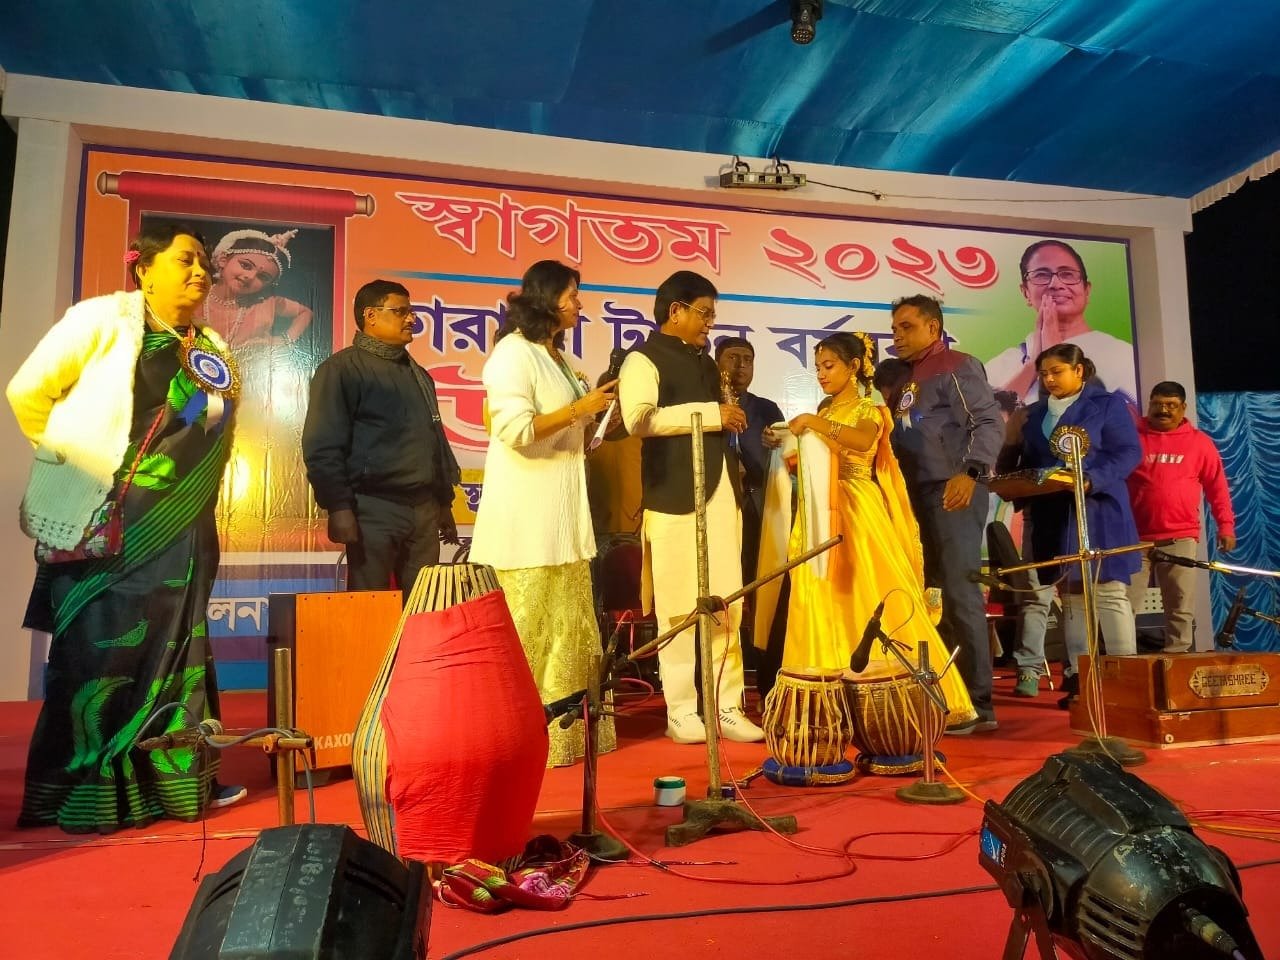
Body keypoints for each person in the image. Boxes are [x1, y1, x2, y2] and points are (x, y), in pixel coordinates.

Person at [7, 223, 243, 832]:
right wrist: (70, 462)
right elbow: (27, 390)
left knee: (179, 650)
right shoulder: (101, 320)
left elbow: (200, 425)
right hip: (111, 522)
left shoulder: (209, 344)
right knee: (100, 653)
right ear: (144, 268)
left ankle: (177, 781)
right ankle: (87, 786)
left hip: (184, 524)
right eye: (186, 260)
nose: (200, 272)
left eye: (204, 263)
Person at [766, 333, 976, 727]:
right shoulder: (826, 409)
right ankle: (830, 700)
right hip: (819, 510)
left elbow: (863, 441)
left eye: (829, 366)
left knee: (870, 595)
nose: (822, 374)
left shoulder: (870, 407)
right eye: (818, 367)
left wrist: (814, 423)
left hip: (857, 511)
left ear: (853, 367)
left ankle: (897, 697)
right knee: (823, 598)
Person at [470, 260, 618, 767]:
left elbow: (566, 431)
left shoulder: (558, 358)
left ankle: (563, 740)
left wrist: (594, 415)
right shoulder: (512, 354)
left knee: (569, 632)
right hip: (527, 522)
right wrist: (580, 408)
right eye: (573, 295)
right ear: (547, 299)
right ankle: (513, 741)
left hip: (565, 522)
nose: (580, 304)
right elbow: (515, 430)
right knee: (527, 631)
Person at [618, 270, 764, 745]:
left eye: (712, 314)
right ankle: (681, 710)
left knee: (727, 603)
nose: (710, 322)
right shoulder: (642, 359)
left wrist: (727, 415)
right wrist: (711, 415)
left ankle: (727, 705)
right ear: (675, 311)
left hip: (720, 493)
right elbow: (639, 420)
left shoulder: (705, 361)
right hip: (673, 497)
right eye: (704, 313)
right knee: (679, 607)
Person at [998, 343, 1143, 707]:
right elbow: (1016, 467)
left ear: (1079, 371)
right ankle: (1080, 678)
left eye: (1057, 372)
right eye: (1044, 374)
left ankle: (1126, 681)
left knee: (1109, 593)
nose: (1049, 379)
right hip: (1052, 517)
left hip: (1098, 511)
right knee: (1072, 597)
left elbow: (1129, 452)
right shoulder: (1032, 414)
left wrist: (1092, 479)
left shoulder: (1107, 405)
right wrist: (1011, 440)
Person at [302, 279, 460, 599]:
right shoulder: (341, 370)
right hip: (371, 509)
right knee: (369, 608)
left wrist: (443, 503)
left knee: (423, 608)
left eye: (411, 312)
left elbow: (433, 441)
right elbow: (322, 446)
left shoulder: (418, 374)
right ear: (371, 316)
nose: (411, 319)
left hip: (424, 510)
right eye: (401, 311)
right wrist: (339, 507)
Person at [888, 294, 1003, 732]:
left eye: (907, 327)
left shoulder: (957, 365)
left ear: (933, 328)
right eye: (894, 329)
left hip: (954, 490)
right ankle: (947, 696)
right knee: (933, 598)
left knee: (959, 592)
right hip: (915, 498)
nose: (897, 336)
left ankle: (978, 703)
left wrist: (970, 472)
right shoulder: (906, 378)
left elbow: (987, 422)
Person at [1125, 381, 1236, 653]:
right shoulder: (1130, 438)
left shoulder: (1200, 443)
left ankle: (1177, 658)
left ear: (1183, 408)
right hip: (1132, 538)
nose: (1163, 410)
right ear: (1149, 404)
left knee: (1180, 605)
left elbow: (1217, 488)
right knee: (1124, 604)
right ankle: (1121, 661)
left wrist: (1226, 525)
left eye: (1171, 405)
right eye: (1157, 404)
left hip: (1180, 537)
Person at [985, 240, 1138, 407]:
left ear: (1087, 290)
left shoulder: (1122, 356)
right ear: (1025, 292)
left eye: (1067, 274)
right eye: (1042, 275)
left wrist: (1056, 356)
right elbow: (987, 419)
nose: (1056, 284)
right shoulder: (1002, 365)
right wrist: (1033, 365)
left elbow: (1118, 419)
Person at [714, 337, 783, 670]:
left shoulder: (766, 409)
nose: (740, 366)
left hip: (758, 506)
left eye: (748, 359)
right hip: (718, 507)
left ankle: (763, 662)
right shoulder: (706, 407)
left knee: (761, 582)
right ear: (716, 363)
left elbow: (786, 455)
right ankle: (724, 661)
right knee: (724, 585)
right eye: (732, 358)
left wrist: (778, 442)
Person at [201, 228, 313, 349]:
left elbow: (306, 313)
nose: (250, 277)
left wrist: (285, 340)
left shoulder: (266, 304)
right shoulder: (197, 294)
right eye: (246, 265)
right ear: (223, 260)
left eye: (262, 277)